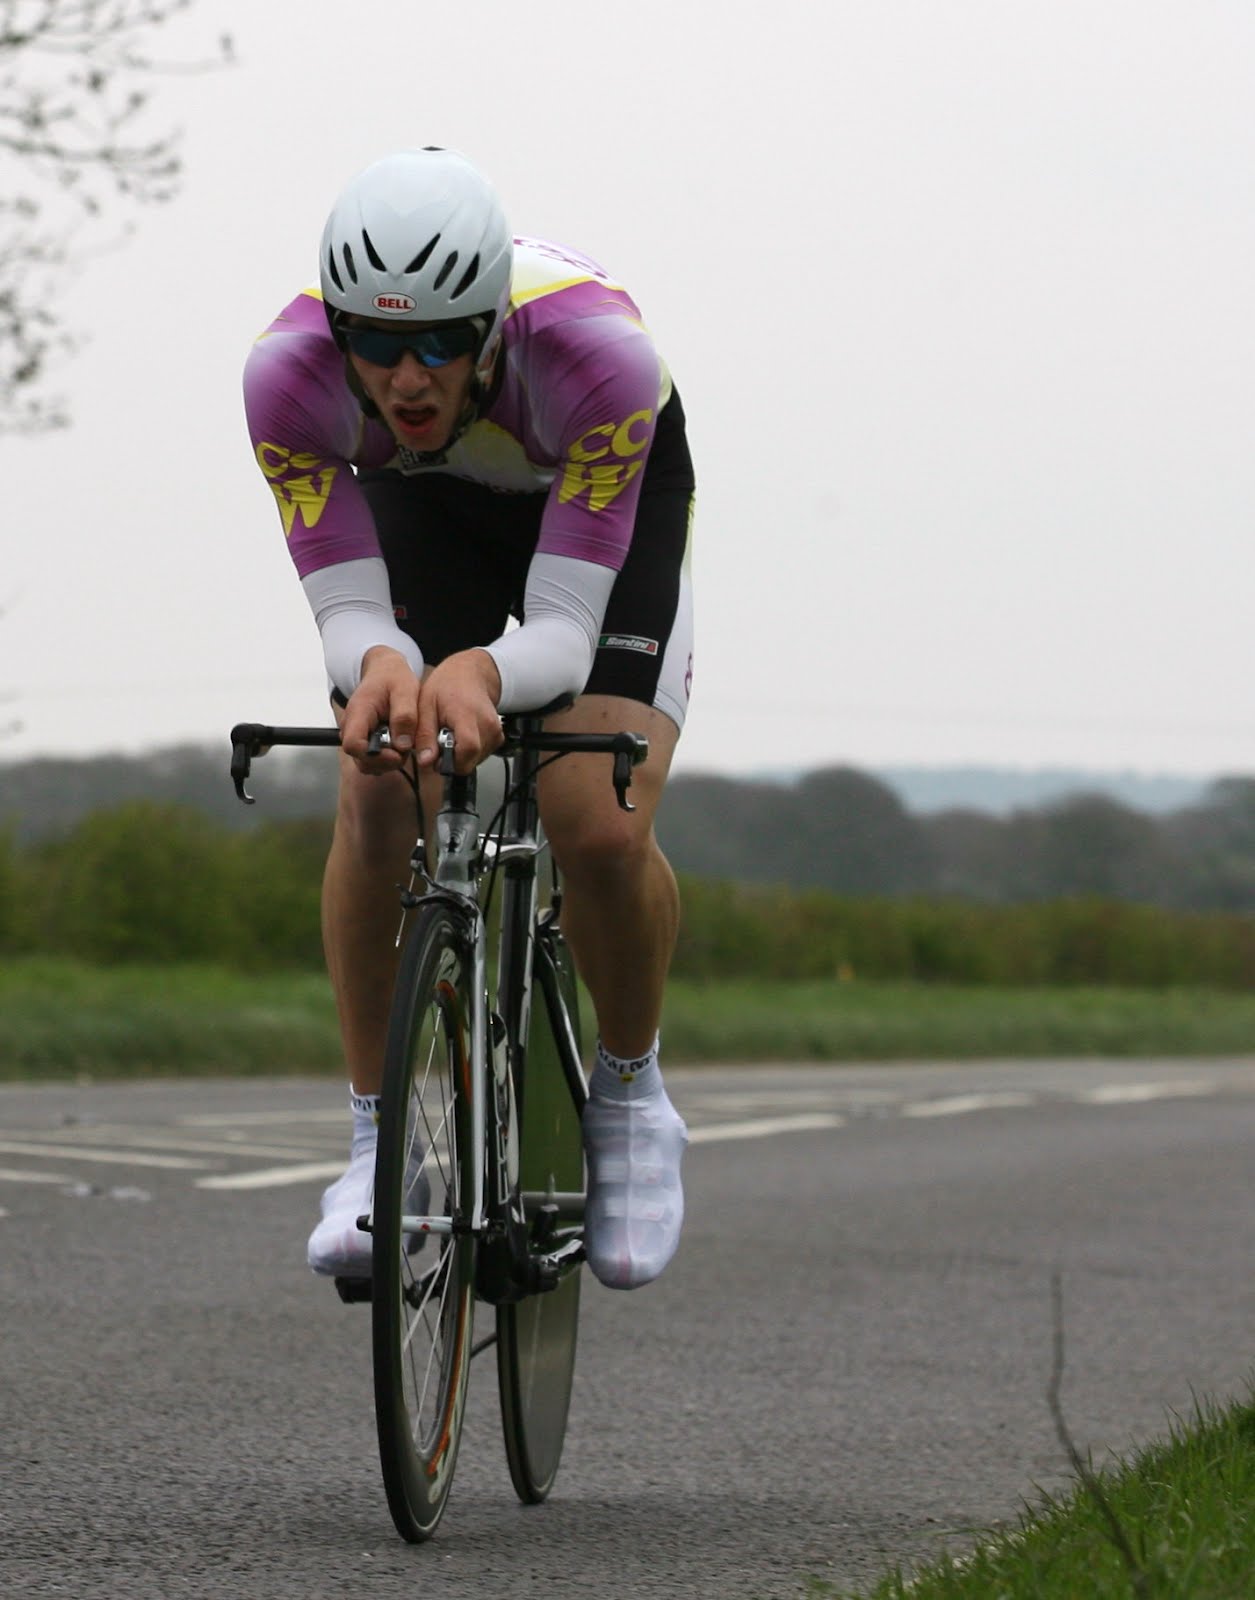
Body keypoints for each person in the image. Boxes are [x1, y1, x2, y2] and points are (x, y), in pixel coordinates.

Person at [242, 147, 695, 1291]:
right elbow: (346, 607)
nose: (405, 377)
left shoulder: (599, 359)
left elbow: (559, 626)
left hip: (589, 509)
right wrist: (392, 666)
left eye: (442, 340)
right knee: (379, 778)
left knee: (593, 817)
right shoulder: (286, 379)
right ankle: (372, 1139)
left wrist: (481, 672)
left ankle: (632, 1096)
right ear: (335, 327)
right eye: (376, 340)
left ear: (491, 322)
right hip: (426, 505)